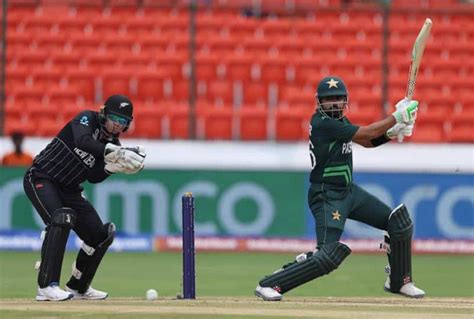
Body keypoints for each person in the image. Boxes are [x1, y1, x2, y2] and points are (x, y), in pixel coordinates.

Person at [255, 76, 425, 301]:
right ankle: (271, 284)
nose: (334, 104)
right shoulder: (322, 123)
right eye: (329, 100)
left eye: (338, 99)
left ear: (345, 101)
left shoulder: (340, 122)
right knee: (328, 255)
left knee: (398, 223)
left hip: (348, 192)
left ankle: (399, 281)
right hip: (327, 196)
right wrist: (397, 117)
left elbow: (366, 142)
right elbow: (366, 133)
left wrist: (391, 134)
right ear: (319, 103)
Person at [23, 94, 146, 301]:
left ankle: (79, 287)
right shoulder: (86, 119)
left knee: (100, 235)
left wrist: (112, 167)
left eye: (123, 122)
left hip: (70, 189)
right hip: (42, 177)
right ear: (104, 113)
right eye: (114, 118)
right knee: (61, 218)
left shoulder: (113, 144)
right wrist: (114, 152)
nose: (117, 125)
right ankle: (46, 286)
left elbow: (93, 176)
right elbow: (83, 141)